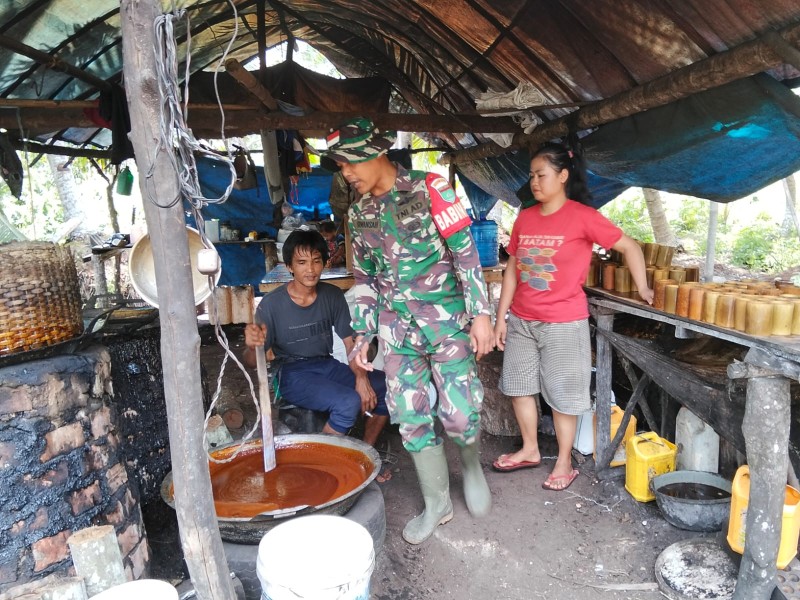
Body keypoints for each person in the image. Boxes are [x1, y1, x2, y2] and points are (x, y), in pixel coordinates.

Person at [324, 116, 495, 544]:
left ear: (375, 153)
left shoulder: (430, 188)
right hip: (397, 332)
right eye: (340, 166)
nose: (346, 173)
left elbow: (466, 254)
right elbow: (363, 279)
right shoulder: (360, 213)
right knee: (410, 417)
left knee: (458, 416)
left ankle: (472, 467)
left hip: (447, 326)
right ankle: (437, 503)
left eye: (349, 163)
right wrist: (363, 334)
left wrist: (481, 314)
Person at [492, 141, 654, 491]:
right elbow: (512, 271)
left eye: (542, 175)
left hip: (564, 322)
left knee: (564, 396)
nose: (535, 182)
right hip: (521, 320)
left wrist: (643, 289)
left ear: (563, 176)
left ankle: (564, 462)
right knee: (519, 388)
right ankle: (531, 449)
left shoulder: (583, 217)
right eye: (532, 175)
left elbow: (629, 246)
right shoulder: (525, 217)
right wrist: (500, 318)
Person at [242, 229, 390, 447]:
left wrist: (362, 378)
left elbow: (351, 344)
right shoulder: (271, 305)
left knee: (387, 386)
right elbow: (253, 362)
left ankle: (367, 453)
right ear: (290, 267)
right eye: (301, 262)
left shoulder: (332, 296)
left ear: (324, 263)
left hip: (326, 365)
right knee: (348, 402)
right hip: (291, 373)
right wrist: (252, 346)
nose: (310, 270)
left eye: (316, 261)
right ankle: (320, 464)